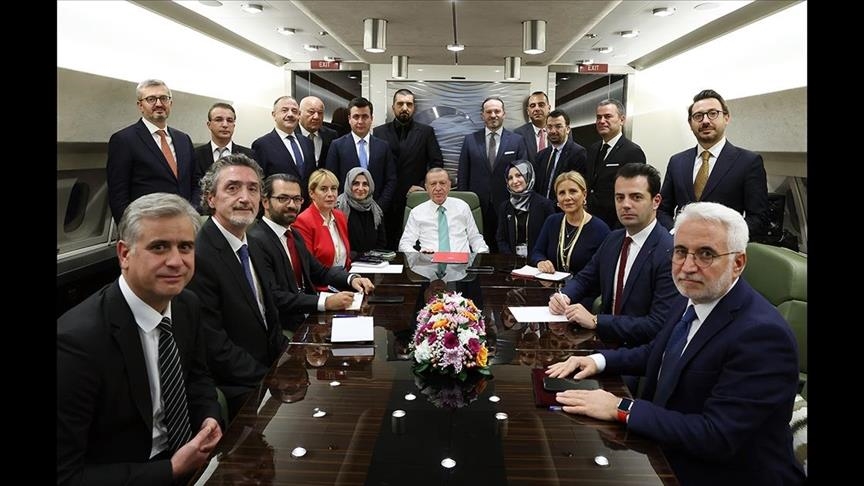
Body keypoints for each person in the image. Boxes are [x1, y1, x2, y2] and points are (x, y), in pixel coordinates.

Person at [546, 202, 805, 485]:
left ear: (738, 263)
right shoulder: (691, 296)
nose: (688, 267)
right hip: (667, 448)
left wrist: (621, 408)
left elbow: (717, 436)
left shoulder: (764, 336)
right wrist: (596, 360)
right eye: (680, 252)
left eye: (706, 254)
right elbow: (659, 353)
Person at [58, 193, 222, 485]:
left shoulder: (187, 305)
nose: (176, 261)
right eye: (159, 247)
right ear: (124, 254)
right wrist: (171, 470)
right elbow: (66, 475)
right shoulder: (77, 341)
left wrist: (209, 418)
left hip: (191, 458)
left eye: (185, 247)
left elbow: (198, 379)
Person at [186, 153, 288, 420]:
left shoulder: (252, 242)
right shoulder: (199, 256)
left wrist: (291, 361)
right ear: (210, 198)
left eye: (253, 189)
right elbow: (214, 346)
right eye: (233, 188)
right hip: (238, 386)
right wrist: (270, 379)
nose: (245, 197)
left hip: (268, 370)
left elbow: (269, 315)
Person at [549, 163, 683, 346]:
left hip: (640, 353)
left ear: (656, 201)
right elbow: (585, 278)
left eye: (636, 197)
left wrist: (597, 321)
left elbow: (657, 324)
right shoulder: (613, 239)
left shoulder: (669, 251)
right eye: (620, 198)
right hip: (603, 344)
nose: (626, 205)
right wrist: (564, 296)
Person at [248, 173, 374, 332]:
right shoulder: (256, 240)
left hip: (309, 316)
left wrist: (351, 279)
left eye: (296, 199)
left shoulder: (293, 234)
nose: (292, 205)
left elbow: (319, 271)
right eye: (283, 198)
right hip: (285, 327)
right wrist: (324, 302)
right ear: (265, 202)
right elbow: (274, 296)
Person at [658, 89, 769, 237]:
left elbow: (758, 218)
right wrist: (675, 232)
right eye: (698, 116)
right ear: (690, 123)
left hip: (723, 247)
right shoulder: (677, 162)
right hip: (680, 246)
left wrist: (722, 238)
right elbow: (662, 210)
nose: (705, 121)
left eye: (713, 113)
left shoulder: (748, 162)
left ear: (726, 118)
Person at [107, 78, 199, 223]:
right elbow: (118, 195)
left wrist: (193, 213)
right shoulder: (124, 140)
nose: (159, 104)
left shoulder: (184, 139)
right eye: (151, 99)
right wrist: (128, 229)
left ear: (170, 103)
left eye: (164, 98)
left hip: (185, 223)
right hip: (148, 226)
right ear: (140, 105)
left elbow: (195, 182)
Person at [373, 88, 445, 250]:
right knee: (386, 247)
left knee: (415, 246)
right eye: (400, 104)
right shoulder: (379, 132)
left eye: (409, 104)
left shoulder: (426, 132)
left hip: (415, 199)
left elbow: (437, 163)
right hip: (385, 200)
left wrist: (422, 186)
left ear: (414, 108)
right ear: (393, 107)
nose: (404, 108)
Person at [457, 96, 528, 252]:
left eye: (497, 111)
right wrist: (464, 203)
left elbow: (523, 175)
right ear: (482, 115)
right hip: (477, 206)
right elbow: (463, 174)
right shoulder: (470, 140)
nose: (493, 115)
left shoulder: (517, 141)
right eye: (489, 112)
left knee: (505, 246)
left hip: (507, 204)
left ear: (504, 114)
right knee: (477, 247)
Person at [531, 171, 611, 291]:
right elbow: (537, 251)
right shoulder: (552, 221)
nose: (567, 198)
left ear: (584, 194)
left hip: (584, 295)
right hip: (551, 290)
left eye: (573, 191)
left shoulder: (601, 230)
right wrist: (541, 261)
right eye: (562, 193)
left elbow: (602, 273)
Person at [325, 96, 398, 218]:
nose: (360, 121)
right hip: (345, 212)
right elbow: (331, 180)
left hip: (377, 212)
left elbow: (391, 180)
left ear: (371, 118)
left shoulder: (383, 146)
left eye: (365, 117)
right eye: (356, 117)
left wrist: (379, 207)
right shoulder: (337, 145)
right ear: (349, 119)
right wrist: (341, 206)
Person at [585, 99, 646, 230]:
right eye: (599, 117)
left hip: (615, 225)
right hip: (590, 222)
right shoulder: (592, 149)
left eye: (607, 116)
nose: (602, 121)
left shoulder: (632, 152)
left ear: (622, 120)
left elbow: (634, 194)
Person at [400, 168, 489, 253]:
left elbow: (475, 238)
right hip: (429, 261)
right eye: (433, 184)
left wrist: (482, 254)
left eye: (442, 183)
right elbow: (405, 244)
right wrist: (419, 256)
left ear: (449, 185)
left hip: (461, 261)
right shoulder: (416, 212)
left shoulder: (463, 207)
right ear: (426, 188)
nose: (438, 188)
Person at [251, 96, 316, 205]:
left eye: (294, 111)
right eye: (284, 110)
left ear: (299, 115)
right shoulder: (262, 145)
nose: (290, 114)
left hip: (306, 207)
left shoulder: (307, 143)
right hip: (279, 207)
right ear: (274, 115)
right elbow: (259, 183)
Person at [293, 169, 353, 283]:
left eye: (333, 189)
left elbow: (346, 258)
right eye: (324, 189)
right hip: (321, 286)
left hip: (344, 280)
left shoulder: (340, 216)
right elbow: (309, 268)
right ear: (311, 193)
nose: (330, 194)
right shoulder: (303, 221)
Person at [495, 160, 556, 255]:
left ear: (528, 176)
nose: (514, 181)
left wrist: (539, 258)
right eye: (510, 178)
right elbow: (501, 239)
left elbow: (552, 238)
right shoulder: (505, 207)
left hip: (539, 260)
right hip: (511, 260)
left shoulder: (545, 205)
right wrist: (510, 258)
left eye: (519, 175)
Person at [534, 110, 588, 201]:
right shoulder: (541, 156)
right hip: (543, 206)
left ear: (568, 129)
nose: (553, 131)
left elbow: (579, 187)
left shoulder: (578, 153)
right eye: (549, 127)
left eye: (558, 126)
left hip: (565, 206)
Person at [194, 102, 257, 180]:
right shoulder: (195, 155)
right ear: (209, 125)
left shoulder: (249, 156)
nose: (225, 125)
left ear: (234, 125)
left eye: (229, 120)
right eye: (219, 120)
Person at [335, 167, 388, 258]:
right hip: (346, 261)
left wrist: (371, 259)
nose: (360, 188)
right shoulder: (338, 207)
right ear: (349, 185)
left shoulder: (376, 209)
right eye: (356, 183)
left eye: (365, 184)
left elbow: (381, 242)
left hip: (372, 261)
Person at [298, 96, 338, 168]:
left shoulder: (331, 135)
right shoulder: (291, 134)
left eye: (320, 113)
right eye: (311, 112)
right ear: (299, 113)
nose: (316, 117)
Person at [514, 91, 551, 163]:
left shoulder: (560, 131)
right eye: (532, 106)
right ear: (528, 111)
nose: (537, 109)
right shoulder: (518, 134)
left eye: (541, 105)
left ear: (549, 108)